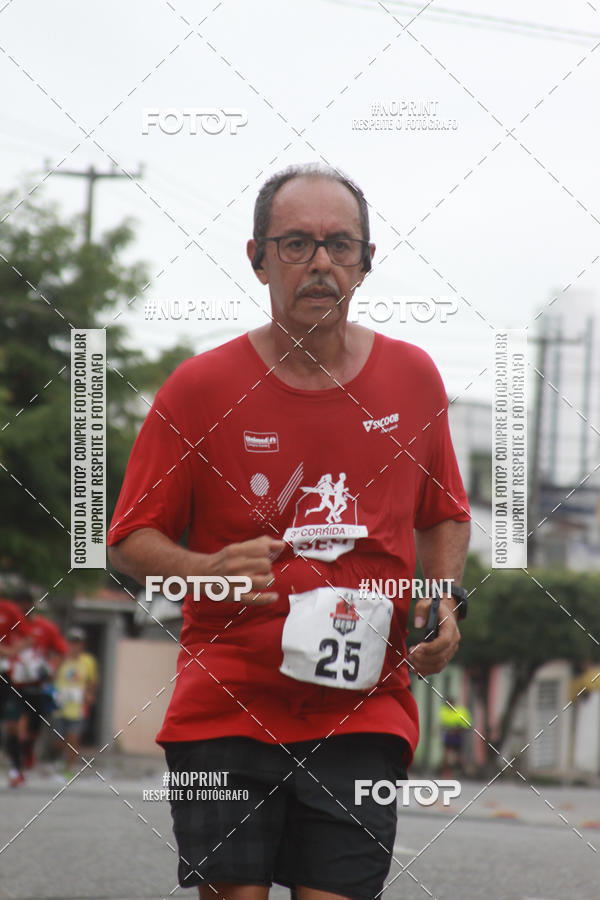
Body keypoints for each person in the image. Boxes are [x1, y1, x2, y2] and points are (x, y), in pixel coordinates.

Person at [108, 162, 471, 900]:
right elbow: (127, 538)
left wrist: (441, 599)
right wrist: (205, 569)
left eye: (340, 245)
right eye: (296, 243)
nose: (320, 263)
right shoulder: (200, 388)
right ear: (258, 258)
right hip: (226, 703)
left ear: (366, 262)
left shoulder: (414, 380)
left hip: (364, 706)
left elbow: (441, 512)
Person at [2, 589, 68, 783]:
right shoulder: (7, 625)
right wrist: (10, 653)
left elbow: (61, 651)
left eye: (25, 608)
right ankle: (16, 768)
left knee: (34, 724)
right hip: (13, 681)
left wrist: (51, 669)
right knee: (12, 723)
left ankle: (28, 748)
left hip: (37, 684)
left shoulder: (44, 627)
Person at [53, 627, 98, 780]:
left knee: (74, 738)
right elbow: (52, 675)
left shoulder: (88, 661)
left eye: (77, 643)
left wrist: (90, 694)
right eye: (72, 642)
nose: (74, 646)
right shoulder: (61, 658)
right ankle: (59, 760)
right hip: (60, 705)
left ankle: (69, 769)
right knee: (59, 739)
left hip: (78, 706)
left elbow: (92, 681)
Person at [0, 594, 31, 786]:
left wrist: (11, 651)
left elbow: (28, 638)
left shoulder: (9, 609)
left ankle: (16, 769)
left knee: (13, 722)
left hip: (6, 674)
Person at [439, 696, 472, 777]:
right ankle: (446, 772)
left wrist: (456, 730)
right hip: (448, 735)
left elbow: (467, 726)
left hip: (458, 735)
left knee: (459, 755)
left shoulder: (461, 711)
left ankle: (461, 771)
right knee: (446, 755)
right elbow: (442, 724)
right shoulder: (444, 711)